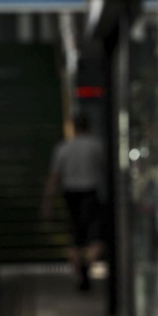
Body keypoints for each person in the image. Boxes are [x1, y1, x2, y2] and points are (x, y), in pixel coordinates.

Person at [41, 113, 105, 291]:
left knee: (76, 238)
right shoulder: (97, 146)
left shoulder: (64, 147)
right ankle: (87, 266)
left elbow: (54, 177)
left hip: (71, 195)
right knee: (97, 238)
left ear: (73, 127)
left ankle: (79, 274)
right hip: (91, 193)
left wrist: (48, 202)